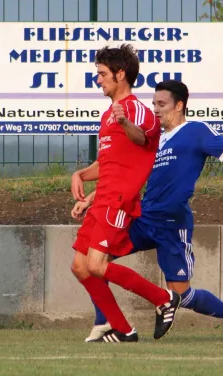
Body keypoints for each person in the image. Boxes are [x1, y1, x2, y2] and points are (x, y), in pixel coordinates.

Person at [73, 80, 223, 342]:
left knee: (182, 294)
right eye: (153, 104)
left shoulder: (195, 132)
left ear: (179, 105)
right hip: (142, 218)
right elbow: (123, 176)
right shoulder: (150, 140)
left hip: (171, 224)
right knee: (94, 262)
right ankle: (107, 322)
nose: (155, 109)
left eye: (161, 104)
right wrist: (92, 199)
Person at [70, 44, 182, 343]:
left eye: (103, 74)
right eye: (98, 74)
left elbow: (142, 138)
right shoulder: (109, 114)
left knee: (96, 265)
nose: (99, 79)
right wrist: (81, 176)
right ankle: (124, 330)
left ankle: (163, 298)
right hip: (102, 199)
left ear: (121, 74)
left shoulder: (134, 110)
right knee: (80, 267)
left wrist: (124, 121)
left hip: (119, 200)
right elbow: (108, 162)